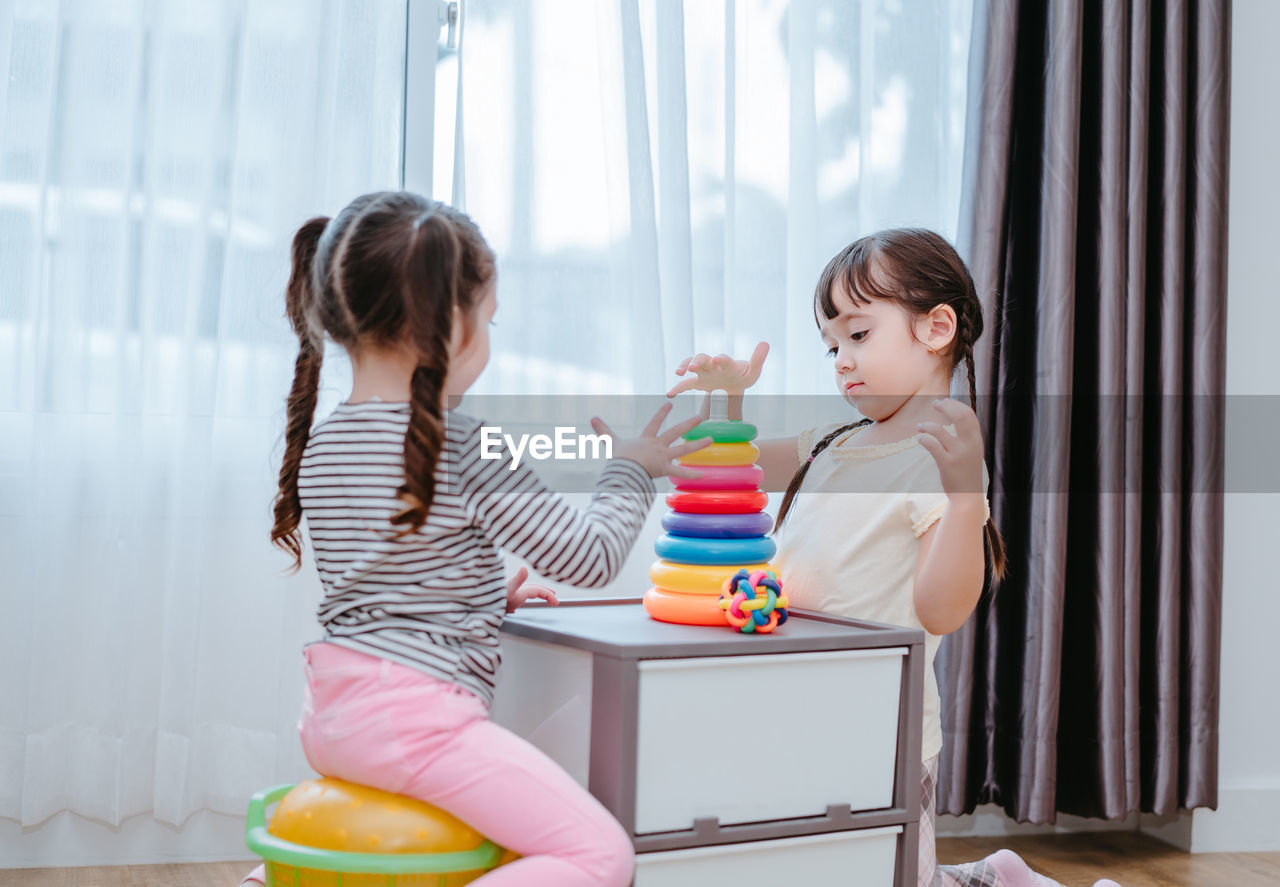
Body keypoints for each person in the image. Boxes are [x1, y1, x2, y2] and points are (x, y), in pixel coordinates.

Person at [241, 191, 711, 887]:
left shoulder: (326, 439)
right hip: (416, 723)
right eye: (488, 320)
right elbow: (591, 557)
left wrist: (485, 593)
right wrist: (632, 468)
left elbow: (389, 583)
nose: (489, 339)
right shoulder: (464, 444)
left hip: (334, 717)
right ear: (450, 327)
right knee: (602, 855)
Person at [666, 228, 1119, 887]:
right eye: (831, 345)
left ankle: (998, 879)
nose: (841, 360)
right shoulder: (834, 439)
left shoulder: (937, 463)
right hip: (796, 709)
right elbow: (729, 467)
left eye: (858, 334)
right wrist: (728, 401)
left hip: (880, 732)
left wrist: (966, 499)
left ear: (936, 328)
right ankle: (989, 875)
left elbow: (943, 606)